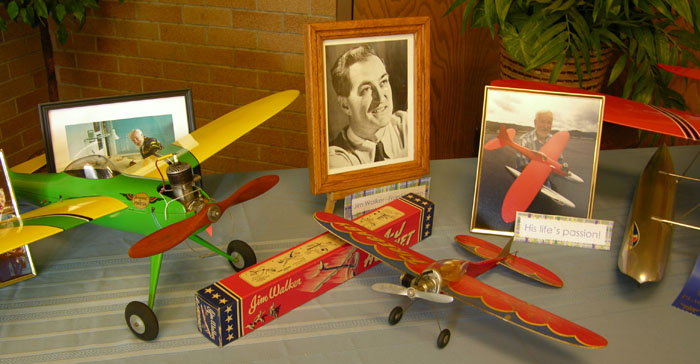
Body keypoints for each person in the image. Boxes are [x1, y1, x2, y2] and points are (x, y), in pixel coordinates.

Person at [328, 45, 408, 169]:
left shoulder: (408, 125)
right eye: (366, 89)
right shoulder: (336, 157)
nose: (381, 98)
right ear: (345, 105)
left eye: (383, 82)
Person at [515, 110, 567, 186]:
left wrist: (562, 168)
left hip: (546, 183)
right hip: (526, 182)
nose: (546, 126)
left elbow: (560, 162)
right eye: (542, 122)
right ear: (535, 123)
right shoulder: (524, 139)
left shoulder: (554, 140)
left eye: (549, 122)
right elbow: (522, 165)